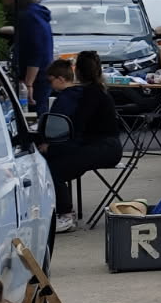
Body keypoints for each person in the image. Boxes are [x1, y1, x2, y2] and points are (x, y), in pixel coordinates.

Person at [39, 54, 122, 234]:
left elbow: (78, 129)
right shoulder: (96, 90)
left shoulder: (89, 94)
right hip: (106, 146)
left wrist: (53, 147)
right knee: (57, 158)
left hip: (103, 148)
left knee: (54, 168)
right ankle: (64, 211)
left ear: (79, 72)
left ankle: (65, 215)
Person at [2, 0, 54, 116]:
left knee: (32, 116)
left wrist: (29, 84)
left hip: (35, 79)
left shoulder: (28, 16)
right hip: (38, 76)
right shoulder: (34, 13)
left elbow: (36, 51)